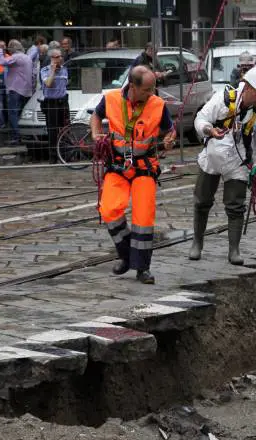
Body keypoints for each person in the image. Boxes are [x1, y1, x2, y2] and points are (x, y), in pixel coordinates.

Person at [90, 66, 176, 284]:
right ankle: (128, 255)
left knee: (143, 217)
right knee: (108, 209)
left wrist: (169, 141)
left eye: (153, 88)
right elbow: (96, 116)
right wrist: (95, 134)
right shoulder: (110, 99)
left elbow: (170, 130)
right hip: (117, 166)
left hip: (144, 167)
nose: (151, 93)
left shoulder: (157, 104)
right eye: (147, 89)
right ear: (133, 86)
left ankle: (142, 268)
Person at [189, 67, 256, 264]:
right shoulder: (223, 99)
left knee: (236, 206)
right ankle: (197, 242)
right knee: (202, 202)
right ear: (248, 87)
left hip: (238, 161)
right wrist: (208, 130)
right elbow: (200, 119)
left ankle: (234, 250)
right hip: (212, 157)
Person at [0, 40, 32, 145]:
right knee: (19, 113)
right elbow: (0, 61)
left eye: (8, 48)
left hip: (15, 89)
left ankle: (15, 137)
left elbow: (3, 62)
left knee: (12, 113)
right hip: (26, 89)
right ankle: (21, 135)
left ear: (12, 48)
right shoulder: (26, 57)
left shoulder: (16, 57)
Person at [40, 48, 69, 164]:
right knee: (52, 131)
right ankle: (53, 157)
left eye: (60, 56)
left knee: (65, 129)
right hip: (51, 103)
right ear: (51, 58)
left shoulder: (65, 70)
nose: (59, 59)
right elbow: (48, 84)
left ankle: (65, 155)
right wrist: (52, 70)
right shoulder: (44, 70)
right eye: (56, 57)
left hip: (63, 102)